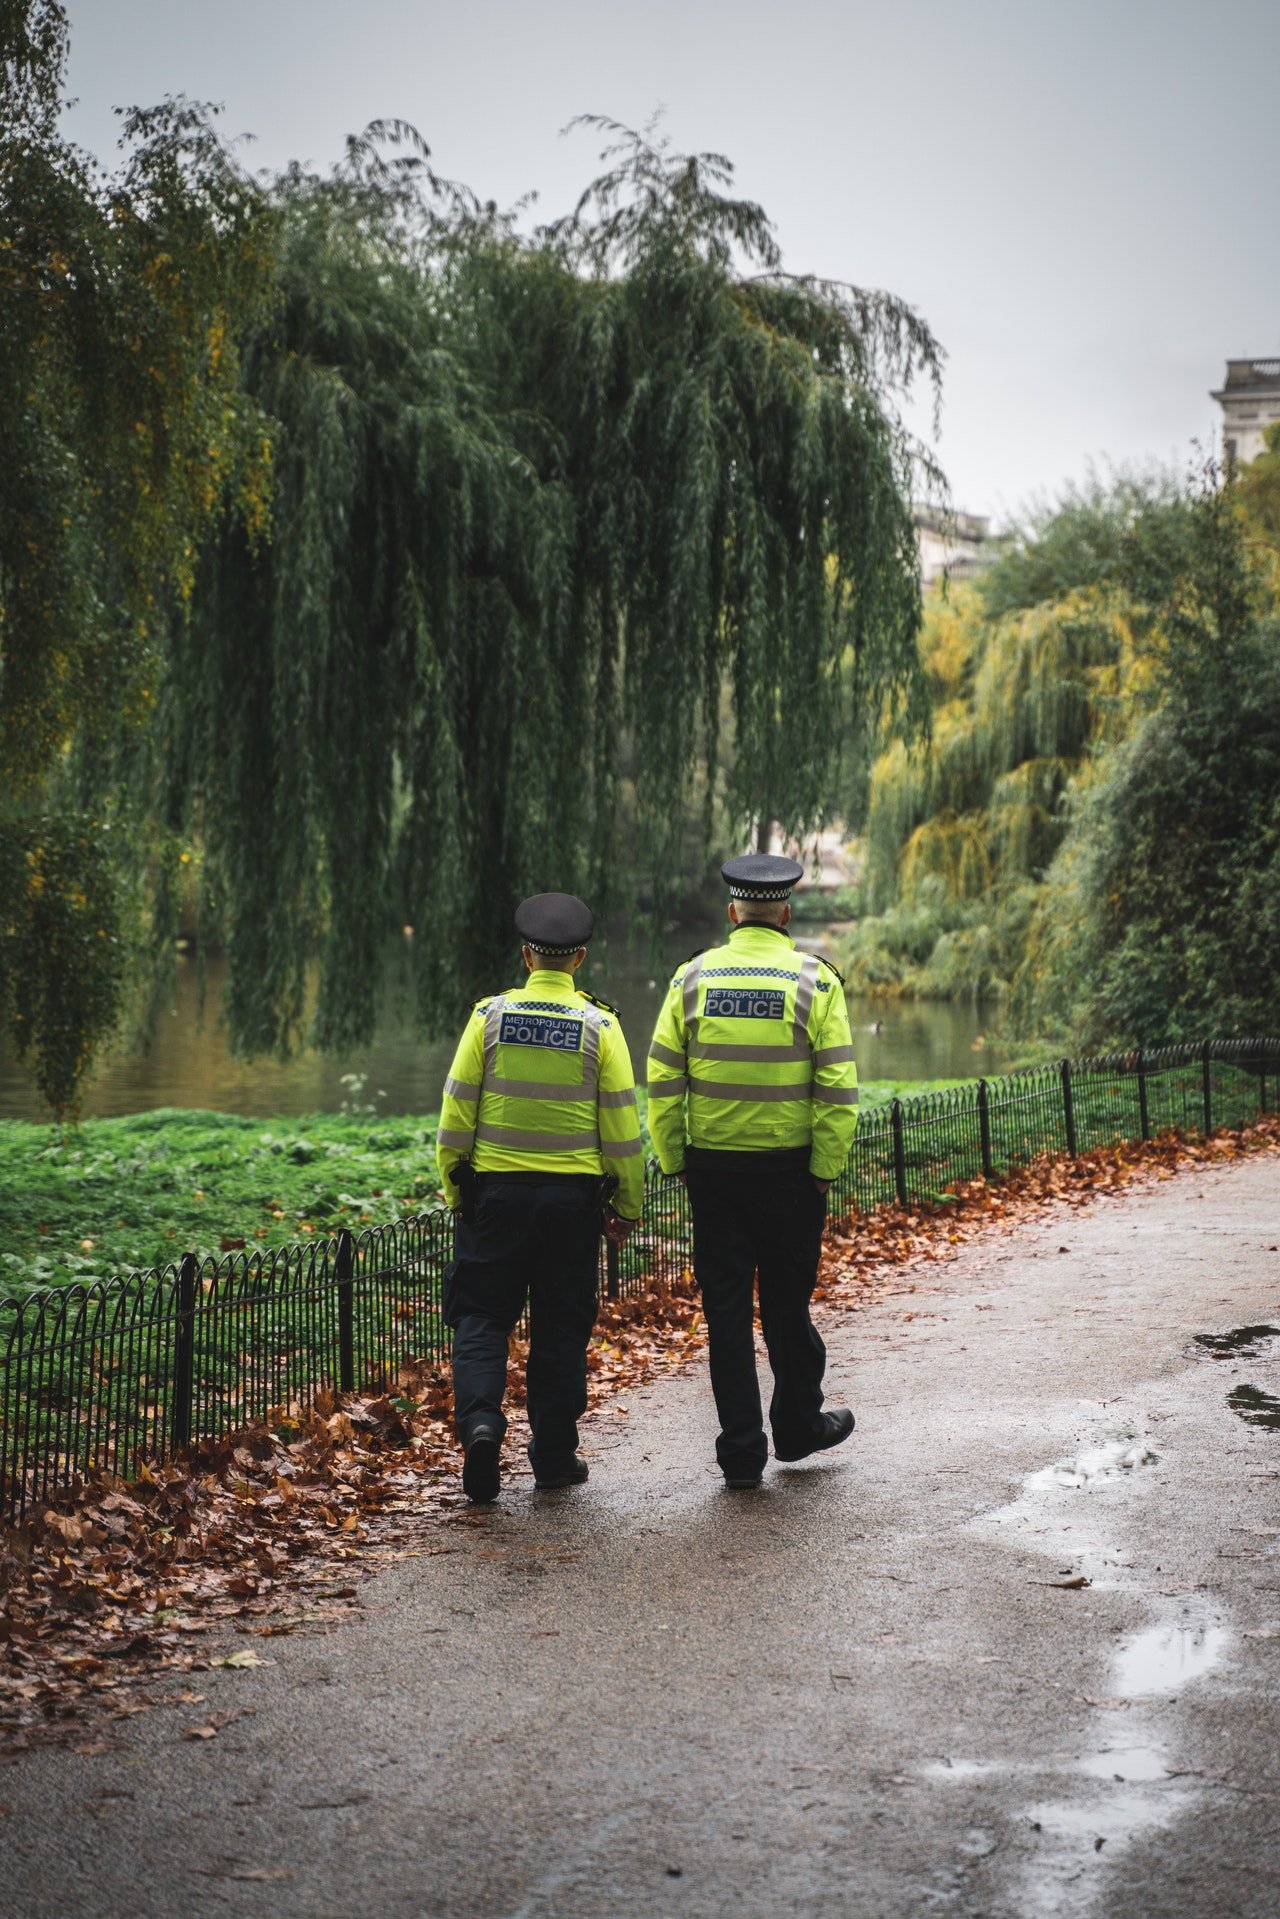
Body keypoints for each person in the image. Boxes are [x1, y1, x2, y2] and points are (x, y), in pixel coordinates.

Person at [646, 854, 859, 1488]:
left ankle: (742, 1450)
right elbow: (838, 1088)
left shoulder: (691, 979)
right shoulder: (816, 983)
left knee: (728, 1314)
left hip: (715, 1176)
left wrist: (675, 1158)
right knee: (789, 1308)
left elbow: (661, 1078)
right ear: (786, 913)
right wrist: (823, 1171)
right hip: (792, 1177)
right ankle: (796, 1427)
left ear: (733, 912)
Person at [436, 893, 643, 1503]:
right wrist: (626, 1207)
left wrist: (457, 1189)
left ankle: (479, 1423)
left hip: (494, 1198)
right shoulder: (601, 1028)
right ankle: (553, 1458)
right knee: (559, 1329)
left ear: (526, 955)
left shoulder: (488, 1020)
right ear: (577, 959)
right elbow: (622, 1132)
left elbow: (455, 1116)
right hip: (570, 1207)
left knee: (481, 1318)